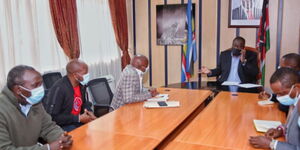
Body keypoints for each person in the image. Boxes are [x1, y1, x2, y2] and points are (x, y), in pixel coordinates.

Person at [0, 65, 72, 150]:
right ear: (18, 90)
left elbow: (48, 127)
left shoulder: (33, 101)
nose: (40, 89)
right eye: (35, 85)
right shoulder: (2, 110)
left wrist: (61, 137)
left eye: (41, 84)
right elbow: (5, 148)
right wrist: (48, 148)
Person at [249, 68, 300, 149]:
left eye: (282, 93)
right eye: (277, 94)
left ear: (296, 87)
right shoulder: (294, 100)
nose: (279, 97)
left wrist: (272, 144)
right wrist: (281, 130)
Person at [46, 59, 96, 132]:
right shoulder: (59, 89)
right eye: (85, 73)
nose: (87, 75)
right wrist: (78, 118)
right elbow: (52, 118)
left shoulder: (81, 84)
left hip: (77, 120)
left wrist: (89, 112)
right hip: (63, 125)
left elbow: (84, 103)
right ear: (75, 75)